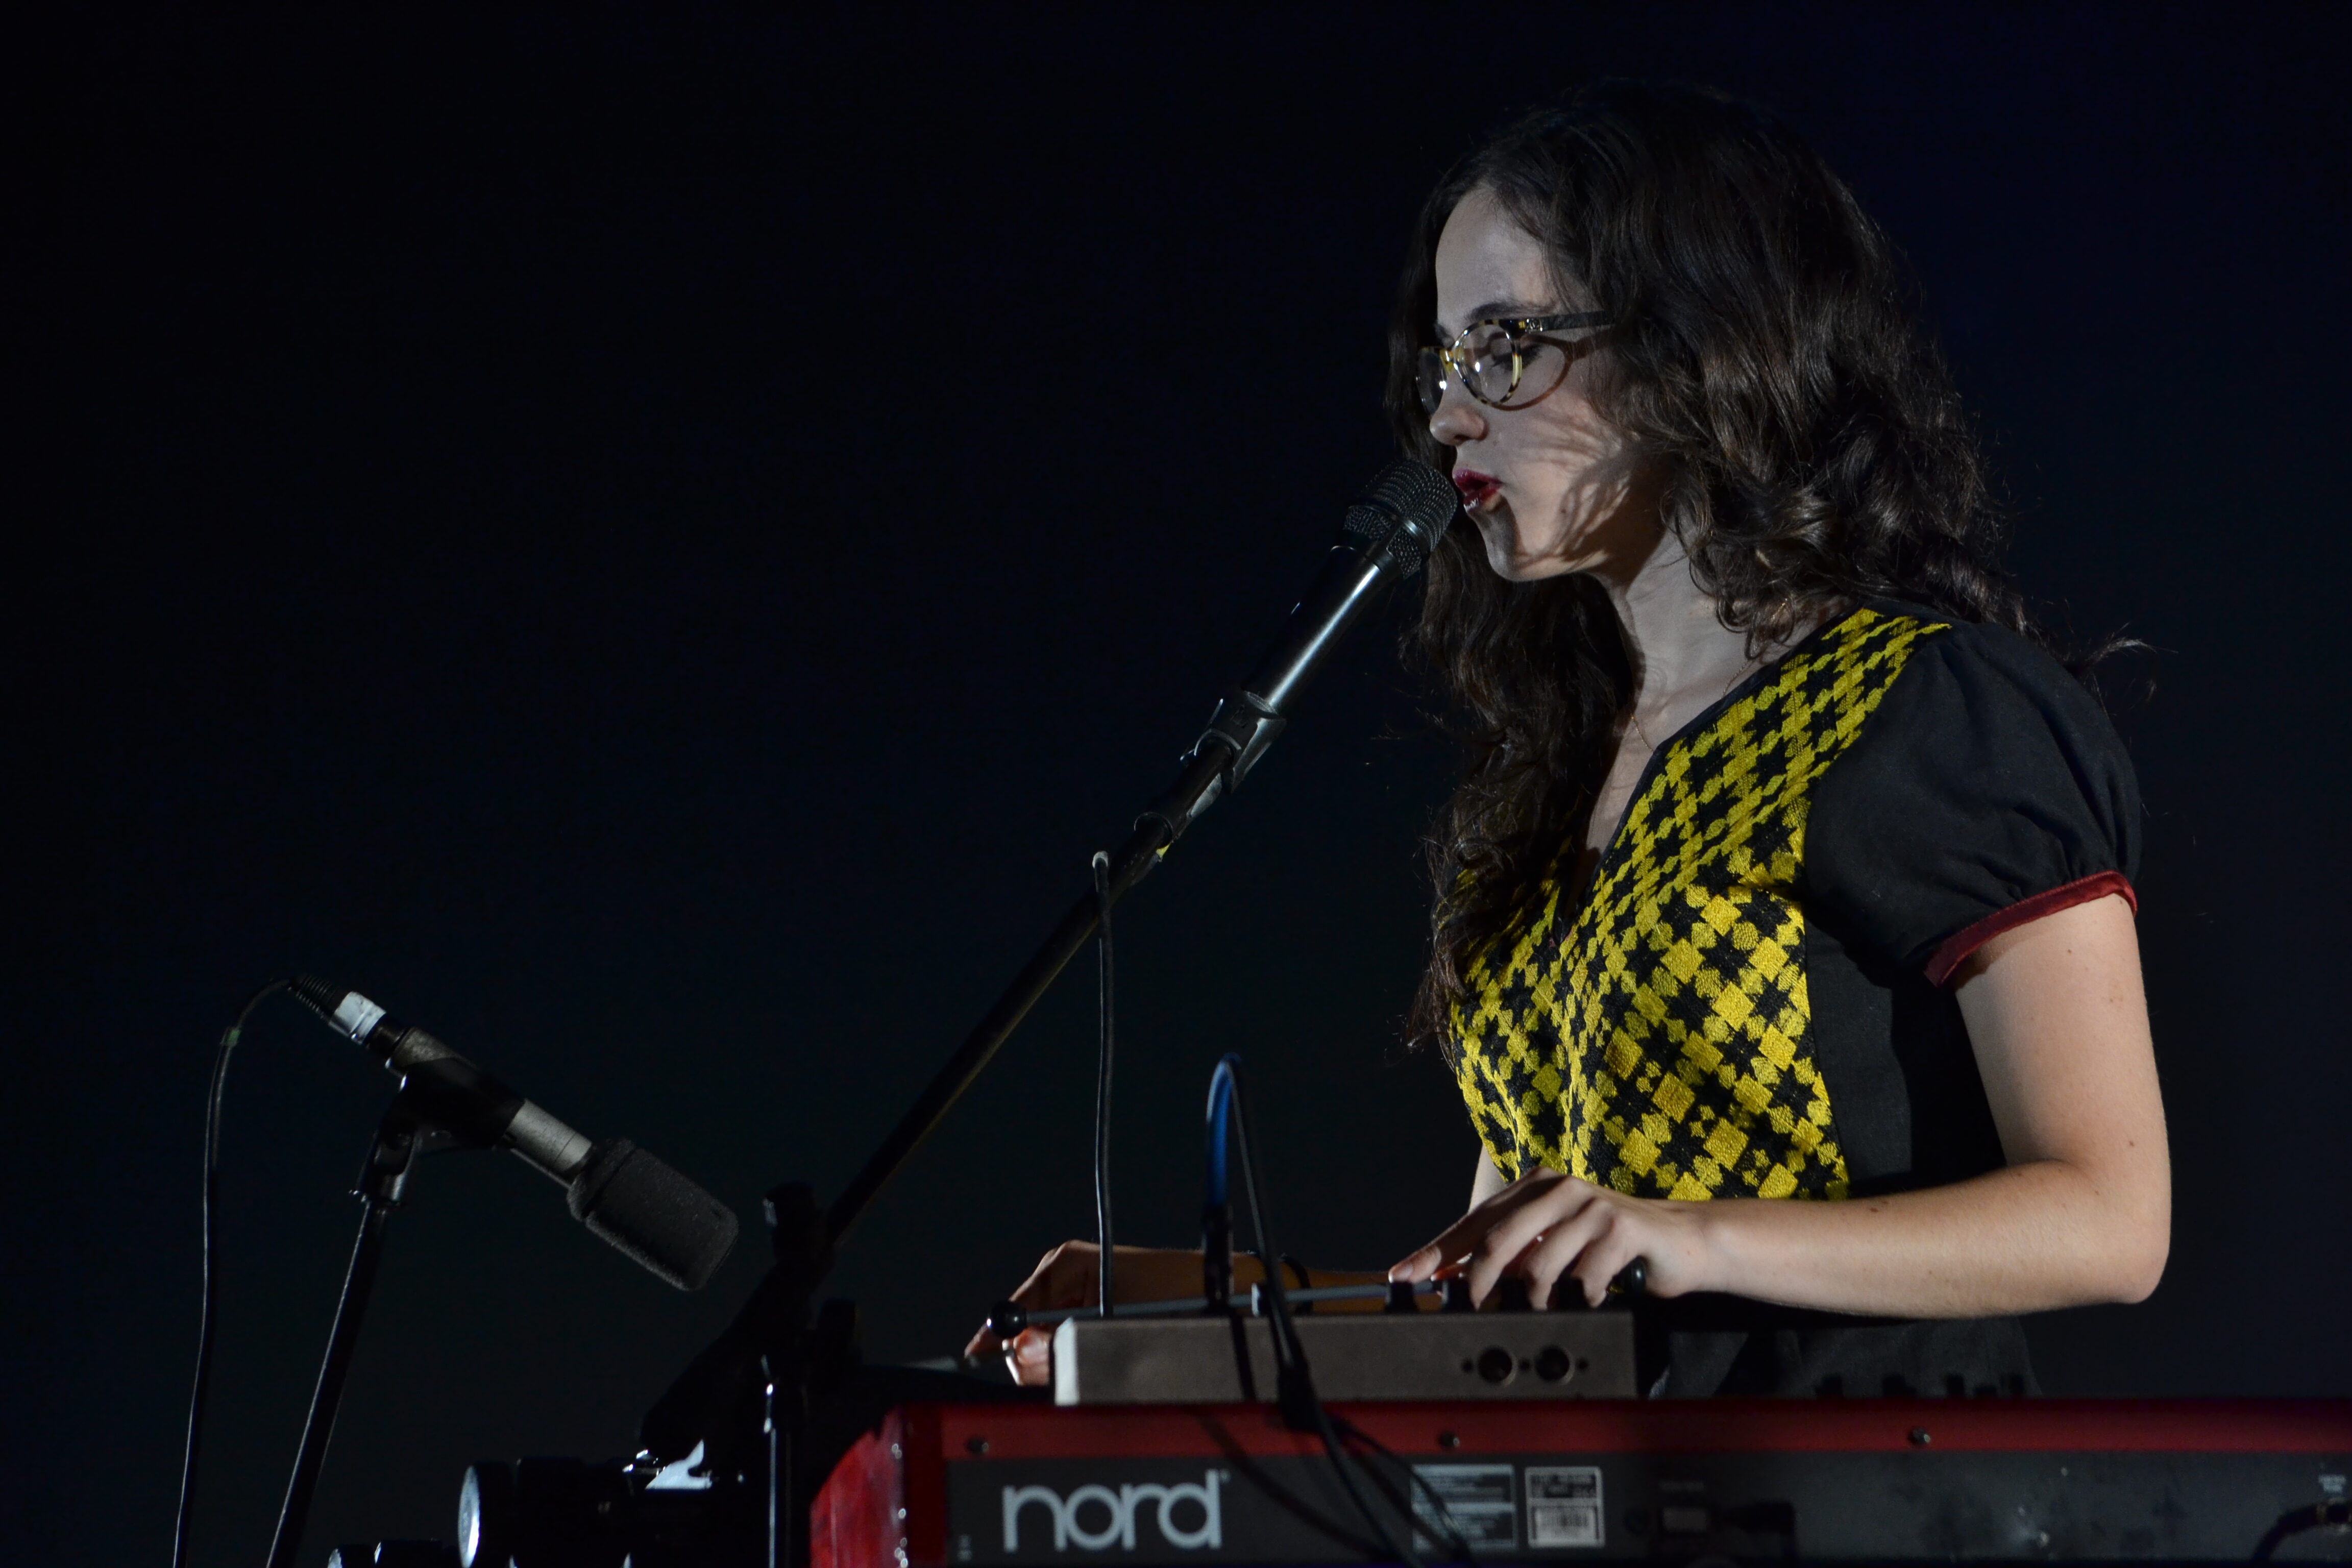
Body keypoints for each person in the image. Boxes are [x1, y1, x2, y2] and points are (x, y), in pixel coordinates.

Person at [968, 81, 2167, 1398]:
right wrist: (1191, 1304)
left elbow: (2111, 1219)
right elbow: (1513, 1295)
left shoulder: (1932, 711)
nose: (1448, 418)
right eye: (1443, 362)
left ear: (1691, 349)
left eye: (1506, 347)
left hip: (1865, 1495)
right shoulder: (1564, 778)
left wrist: (1684, 1236)